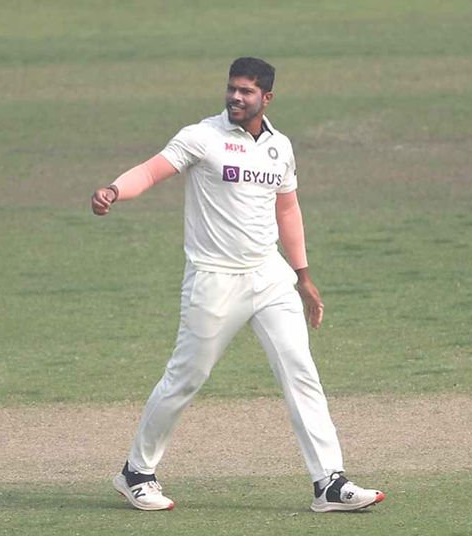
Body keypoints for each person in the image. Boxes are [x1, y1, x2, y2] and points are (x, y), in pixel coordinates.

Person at [91, 58, 385, 513]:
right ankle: (136, 472)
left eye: (246, 91)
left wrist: (303, 275)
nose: (235, 97)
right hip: (214, 277)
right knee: (186, 376)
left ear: (266, 98)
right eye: (231, 88)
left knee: (300, 369)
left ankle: (328, 482)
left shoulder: (280, 147)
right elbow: (150, 172)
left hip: (269, 276)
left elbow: (287, 210)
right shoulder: (201, 137)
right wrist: (113, 189)